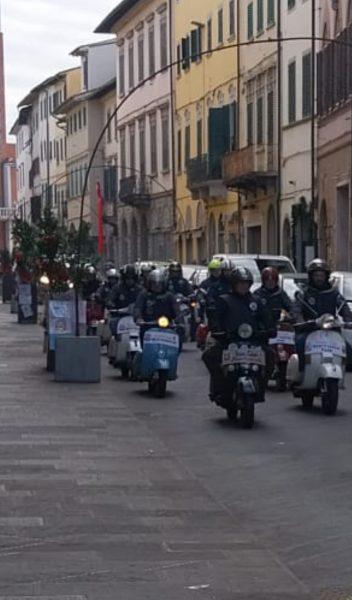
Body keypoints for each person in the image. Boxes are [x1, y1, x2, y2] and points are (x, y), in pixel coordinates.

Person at [203, 266, 274, 402]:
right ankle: (219, 389)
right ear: (233, 284)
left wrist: (270, 329)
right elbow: (215, 318)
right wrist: (218, 331)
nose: (243, 286)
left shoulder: (256, 301)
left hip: (254, 342)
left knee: (270, 356)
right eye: (240, 283)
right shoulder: (223, 300)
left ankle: (261, 387)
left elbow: (266, 318)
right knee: (209, 356)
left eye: (246, 283)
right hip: (229, 342)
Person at [295, 258, 352, 369]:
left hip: (331, 330)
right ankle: (301, 373)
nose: (319, 278)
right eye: (316, 275)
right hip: (309, 329)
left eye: (321, 275)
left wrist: (348, 320)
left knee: (348, 350)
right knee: (300, 345)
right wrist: (300, 321)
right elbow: (296, 310)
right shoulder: (304, 292)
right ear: (311, 276)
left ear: (326, 276)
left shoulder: (333, 293)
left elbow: (343, 307)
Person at [134, 269, 179, 343]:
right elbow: (138, 308)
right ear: (150, 284)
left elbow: (176, 309)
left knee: (177, 341)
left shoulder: (169, 296)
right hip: (148, 327)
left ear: (163, 284)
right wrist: (138, 318)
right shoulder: (144, 295)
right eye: (154, 284)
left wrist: (179, 320)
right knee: (140, 349)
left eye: (159, 284)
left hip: (167, 328)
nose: (157, 286)